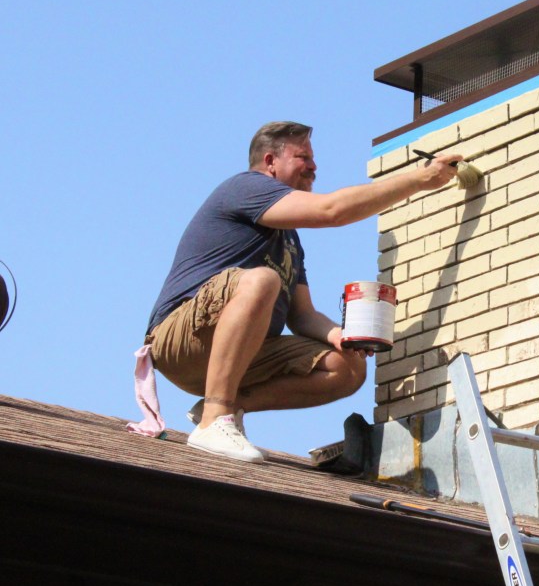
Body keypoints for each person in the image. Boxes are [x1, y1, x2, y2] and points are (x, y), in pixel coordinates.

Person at [143, 121, 461, 463]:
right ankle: (213, 420)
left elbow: (302, 315)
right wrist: (419, 179)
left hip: (239, 353)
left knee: (348, 367)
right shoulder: (245, 187)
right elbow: (331, 211)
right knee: (263, 280)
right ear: (270, 162)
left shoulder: (290, 240)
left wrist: (341, 336)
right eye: (303, 156)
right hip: (180, 340)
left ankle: (228, 405)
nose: (313, 166)